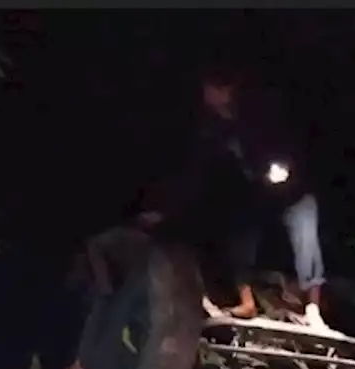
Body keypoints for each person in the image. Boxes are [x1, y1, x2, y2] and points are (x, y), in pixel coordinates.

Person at [140, 62, 327, 326]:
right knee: (240, 231)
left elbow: (288, 143)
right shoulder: (211, 129)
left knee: (306, 229)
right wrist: (166, 212)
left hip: (291, 188)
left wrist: (284, 165)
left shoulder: (258, 112)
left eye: (216, 88)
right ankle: (246, 301)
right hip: (254, 193)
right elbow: (198, 176)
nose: (210, 95)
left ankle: (314, 309)